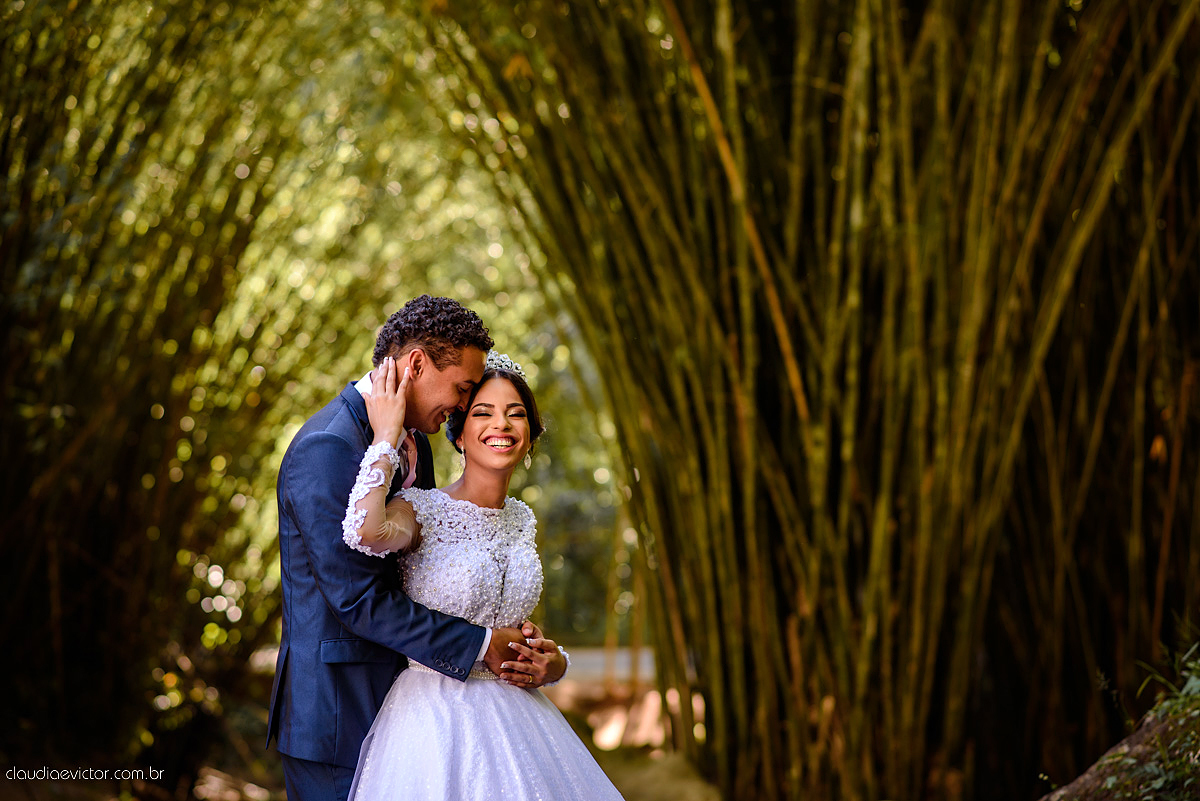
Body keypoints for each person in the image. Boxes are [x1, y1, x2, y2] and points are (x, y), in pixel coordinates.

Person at [267, 296, 563, 801]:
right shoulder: (328, 447)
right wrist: (479, 643)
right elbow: (359, 599)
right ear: (419, 364)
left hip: (419, 712)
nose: (463, 406)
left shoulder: (416, 440)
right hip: (339, 714)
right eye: (464, 390)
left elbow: (424, 567)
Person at [340, 350, 625, 800]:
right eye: (483, 413)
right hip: (434, 722)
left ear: (530, 436)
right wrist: (386, 437)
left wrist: (553, 662)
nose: (502, 425)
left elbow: (514, 625)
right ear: (459, 435)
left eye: (516, 414)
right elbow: (364, 531)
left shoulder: (522, 520)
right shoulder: (424, 510)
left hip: (524, 722)